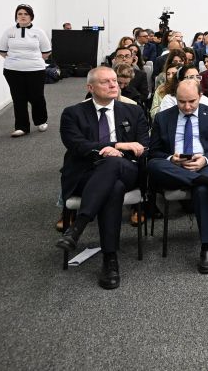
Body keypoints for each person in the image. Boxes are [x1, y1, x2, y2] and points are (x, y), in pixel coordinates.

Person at [55, 66, 149, 289]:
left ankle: (78, 225)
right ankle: (110, 259)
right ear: (90, 87)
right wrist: (117, 145)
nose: (113, 84)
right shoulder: (73, 113)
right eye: (105, 82)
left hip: (127, 169)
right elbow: (78, 146)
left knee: (114, 164)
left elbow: (143, 147)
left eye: (114, 80)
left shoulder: (134, 111)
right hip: (86, 173)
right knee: (113, 188)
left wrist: (115, 150)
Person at [147, 80, 208, 274]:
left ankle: (207, 247)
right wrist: (171, 158)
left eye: (192, 101)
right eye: (181, 101)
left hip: (204, 165)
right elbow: (154, 152)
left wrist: (205, 160)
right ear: (175, 98)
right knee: (153, 165)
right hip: (174, 167)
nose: (186, 107)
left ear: (200, 96)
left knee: (202, 190)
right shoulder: (162, 117)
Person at [0, 4, 52, 137]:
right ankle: (21, 127)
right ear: (16, 16)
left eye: (26, 14)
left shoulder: (38, 32)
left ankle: (41, 121)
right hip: (12, 71)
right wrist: (16, 61)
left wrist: (31, 60)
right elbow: (2, 51)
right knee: (18, 98)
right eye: (20, 14)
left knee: (36, 97)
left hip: (36, 70)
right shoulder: (9, 32)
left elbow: (46, 52)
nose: (22, 16)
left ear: (31, 16)